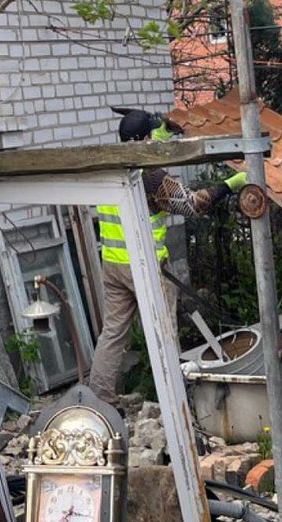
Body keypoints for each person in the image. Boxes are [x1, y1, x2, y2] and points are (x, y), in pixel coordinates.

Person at [87, 109, 245, 404]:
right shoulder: (150, 176)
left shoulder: (109, 165)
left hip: (113, 265)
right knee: (165, 333)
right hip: (145, 266)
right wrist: (230, 185)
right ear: (147, 138)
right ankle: (173, 401)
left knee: (112, 333)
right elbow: (191, 204)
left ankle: (100, 400)